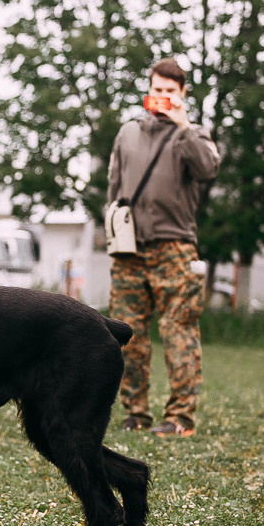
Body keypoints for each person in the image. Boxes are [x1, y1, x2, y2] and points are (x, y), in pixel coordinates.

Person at [106, 58, 221, 438]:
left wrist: (184, 127)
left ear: (183, 93)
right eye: (158, 89)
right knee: (127, 335)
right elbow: (114, 186)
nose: (163, 96)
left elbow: (208, 170)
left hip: (175, 248)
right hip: (129, 251)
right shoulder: (128, 132)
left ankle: (180, 418)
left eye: (171, 91)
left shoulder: (194, 134)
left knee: (179, 331)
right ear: (148, 89)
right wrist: (113, 231)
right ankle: (136, 413)